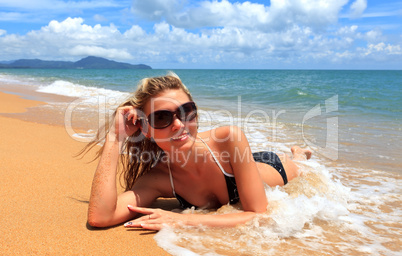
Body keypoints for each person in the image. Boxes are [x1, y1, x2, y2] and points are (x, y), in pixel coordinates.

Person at [83, 73, 312, 230]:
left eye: (187, 111)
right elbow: (100, 216)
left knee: (300, 167)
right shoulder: (159, 178)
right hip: (238, 163)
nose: (179, 124)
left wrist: (183, 221)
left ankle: (298, 153)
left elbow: (261, 216)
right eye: (162, 117)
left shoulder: (228, 137)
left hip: (272, 166)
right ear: (146, 129)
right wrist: (115, 137)